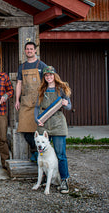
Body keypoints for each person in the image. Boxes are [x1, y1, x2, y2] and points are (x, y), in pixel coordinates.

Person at [35, 65, 72, 194]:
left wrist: (66, 104)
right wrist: (37, 119)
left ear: (54, 75)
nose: (49, 77)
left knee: (60, 154)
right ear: (44, 77)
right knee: (42, 151)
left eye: (51, 75)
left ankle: (64, 180)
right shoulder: (41, 90)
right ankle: (45, 178)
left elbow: (69, 106)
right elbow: (36, 107)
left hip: (57, 123)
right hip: (43, 123)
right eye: (46, 75)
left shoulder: (61, 89)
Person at [14, 41, 48, 162]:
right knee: (24, 129)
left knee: (39, 129)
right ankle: (35, 150)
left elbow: (48, 81)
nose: (29, 51)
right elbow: (19, 83)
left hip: (39, 102)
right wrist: (17, 99)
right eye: (27, 49)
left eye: (31, 49)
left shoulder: (42, 65)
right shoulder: (22, 67)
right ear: (25, 51)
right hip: (26, 102)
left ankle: (41, 154)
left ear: (35, 51)